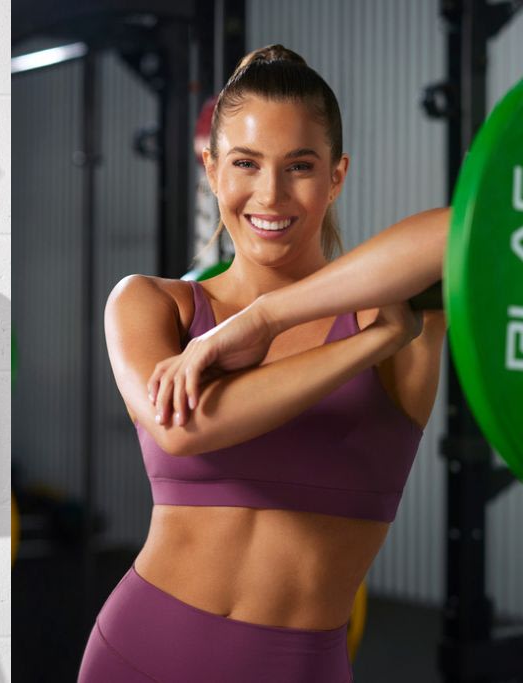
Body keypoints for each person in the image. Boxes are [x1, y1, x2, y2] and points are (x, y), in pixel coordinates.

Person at [77, 44, 448, 682]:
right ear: (211, 168)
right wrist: (368, 345)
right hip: (138, 652)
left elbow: (460, 229)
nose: (270, 194)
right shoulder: (152, 303)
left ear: (337, 176)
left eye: (300, 166)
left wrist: (265, 318)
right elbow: (183, 428)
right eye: (245, 163)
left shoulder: (390, 312)